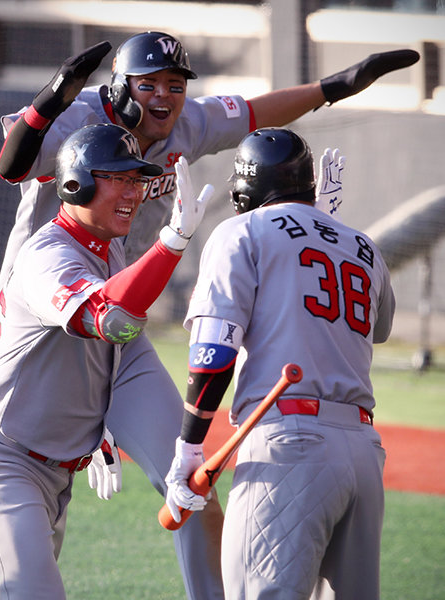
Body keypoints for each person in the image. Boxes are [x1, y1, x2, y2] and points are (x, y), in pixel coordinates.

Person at [0, 32, 413, 599]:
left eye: (175, 84)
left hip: (119, 323)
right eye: (149, 85)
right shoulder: (82, 126)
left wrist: (335, 86)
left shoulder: (183, 127)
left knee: (191, 483)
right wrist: (53, 99)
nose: (165, 97)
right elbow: (12, 164)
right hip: (49, 315)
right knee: (12, 512)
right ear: (119, 90)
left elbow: (253, 112)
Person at [0, 122, 213, 599]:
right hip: (1, 468)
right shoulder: (47, 255)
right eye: (120, 177)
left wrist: (104, 423)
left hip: (49, 477)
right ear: (76, 183)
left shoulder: (104, 244)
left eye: (138, 179)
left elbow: (113, 345)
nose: (135, 191)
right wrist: (171, 243)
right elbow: (109, 321)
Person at [164, 127, 395, 599]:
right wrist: (325, 229)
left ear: (246, 189)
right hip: (363, 454)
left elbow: (214, 350)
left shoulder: (239, 231)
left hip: (289, 446)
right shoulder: (364, 245)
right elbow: (378, 326)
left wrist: (189, 447)